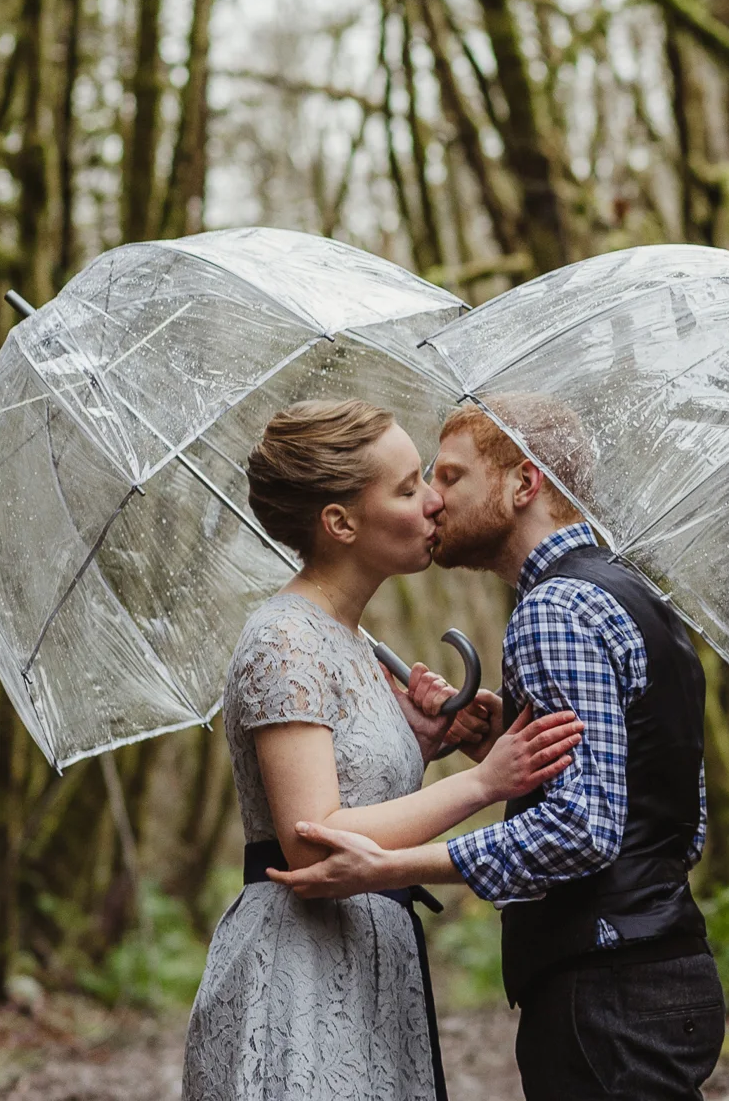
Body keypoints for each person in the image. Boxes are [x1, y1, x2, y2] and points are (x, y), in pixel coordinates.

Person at [270, 394, 724, 1101]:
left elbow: (583, 829)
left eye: (450, 476)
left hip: (606, 985)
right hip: (664, 964)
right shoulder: (636, 595)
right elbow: (661, 807)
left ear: (524, 483)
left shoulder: (553, 610)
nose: (433, 499)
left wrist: (392, 866)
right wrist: (500, 751)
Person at [183, 398, 585, 1101]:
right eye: (406, 489)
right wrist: (484, 783)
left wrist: (418, 747)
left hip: (369, 953)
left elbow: (353, 797)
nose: (434, 501)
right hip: (300, 970)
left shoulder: (350, 640)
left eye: (426, 478)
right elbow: (312, 840)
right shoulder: (285, 640)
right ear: (340, 523)